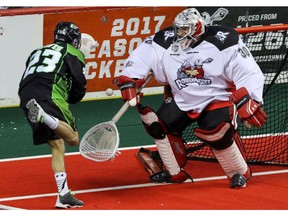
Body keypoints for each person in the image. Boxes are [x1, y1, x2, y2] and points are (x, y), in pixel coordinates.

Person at [115, 8, 267, 188]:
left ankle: (238, 173)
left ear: (197, 29)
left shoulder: (225, 41)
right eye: (178, 29)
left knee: (218, 133)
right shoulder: (164, 40)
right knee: (157, 125)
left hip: (216, 98)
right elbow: (142, 54)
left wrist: (250, 98)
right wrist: (130, 79)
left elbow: (250, 72)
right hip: (182, 98)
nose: (180, 34)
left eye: (185, 30)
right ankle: (175, 172)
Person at [18, 21, 86, 208]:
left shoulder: (37, 51)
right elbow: (79, 87)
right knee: (72, 139)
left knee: (57, 144)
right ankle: (43, 115)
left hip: (25, 94)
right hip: (48, 94)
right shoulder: (73, 52)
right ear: (73, 39)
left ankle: (63, 195)